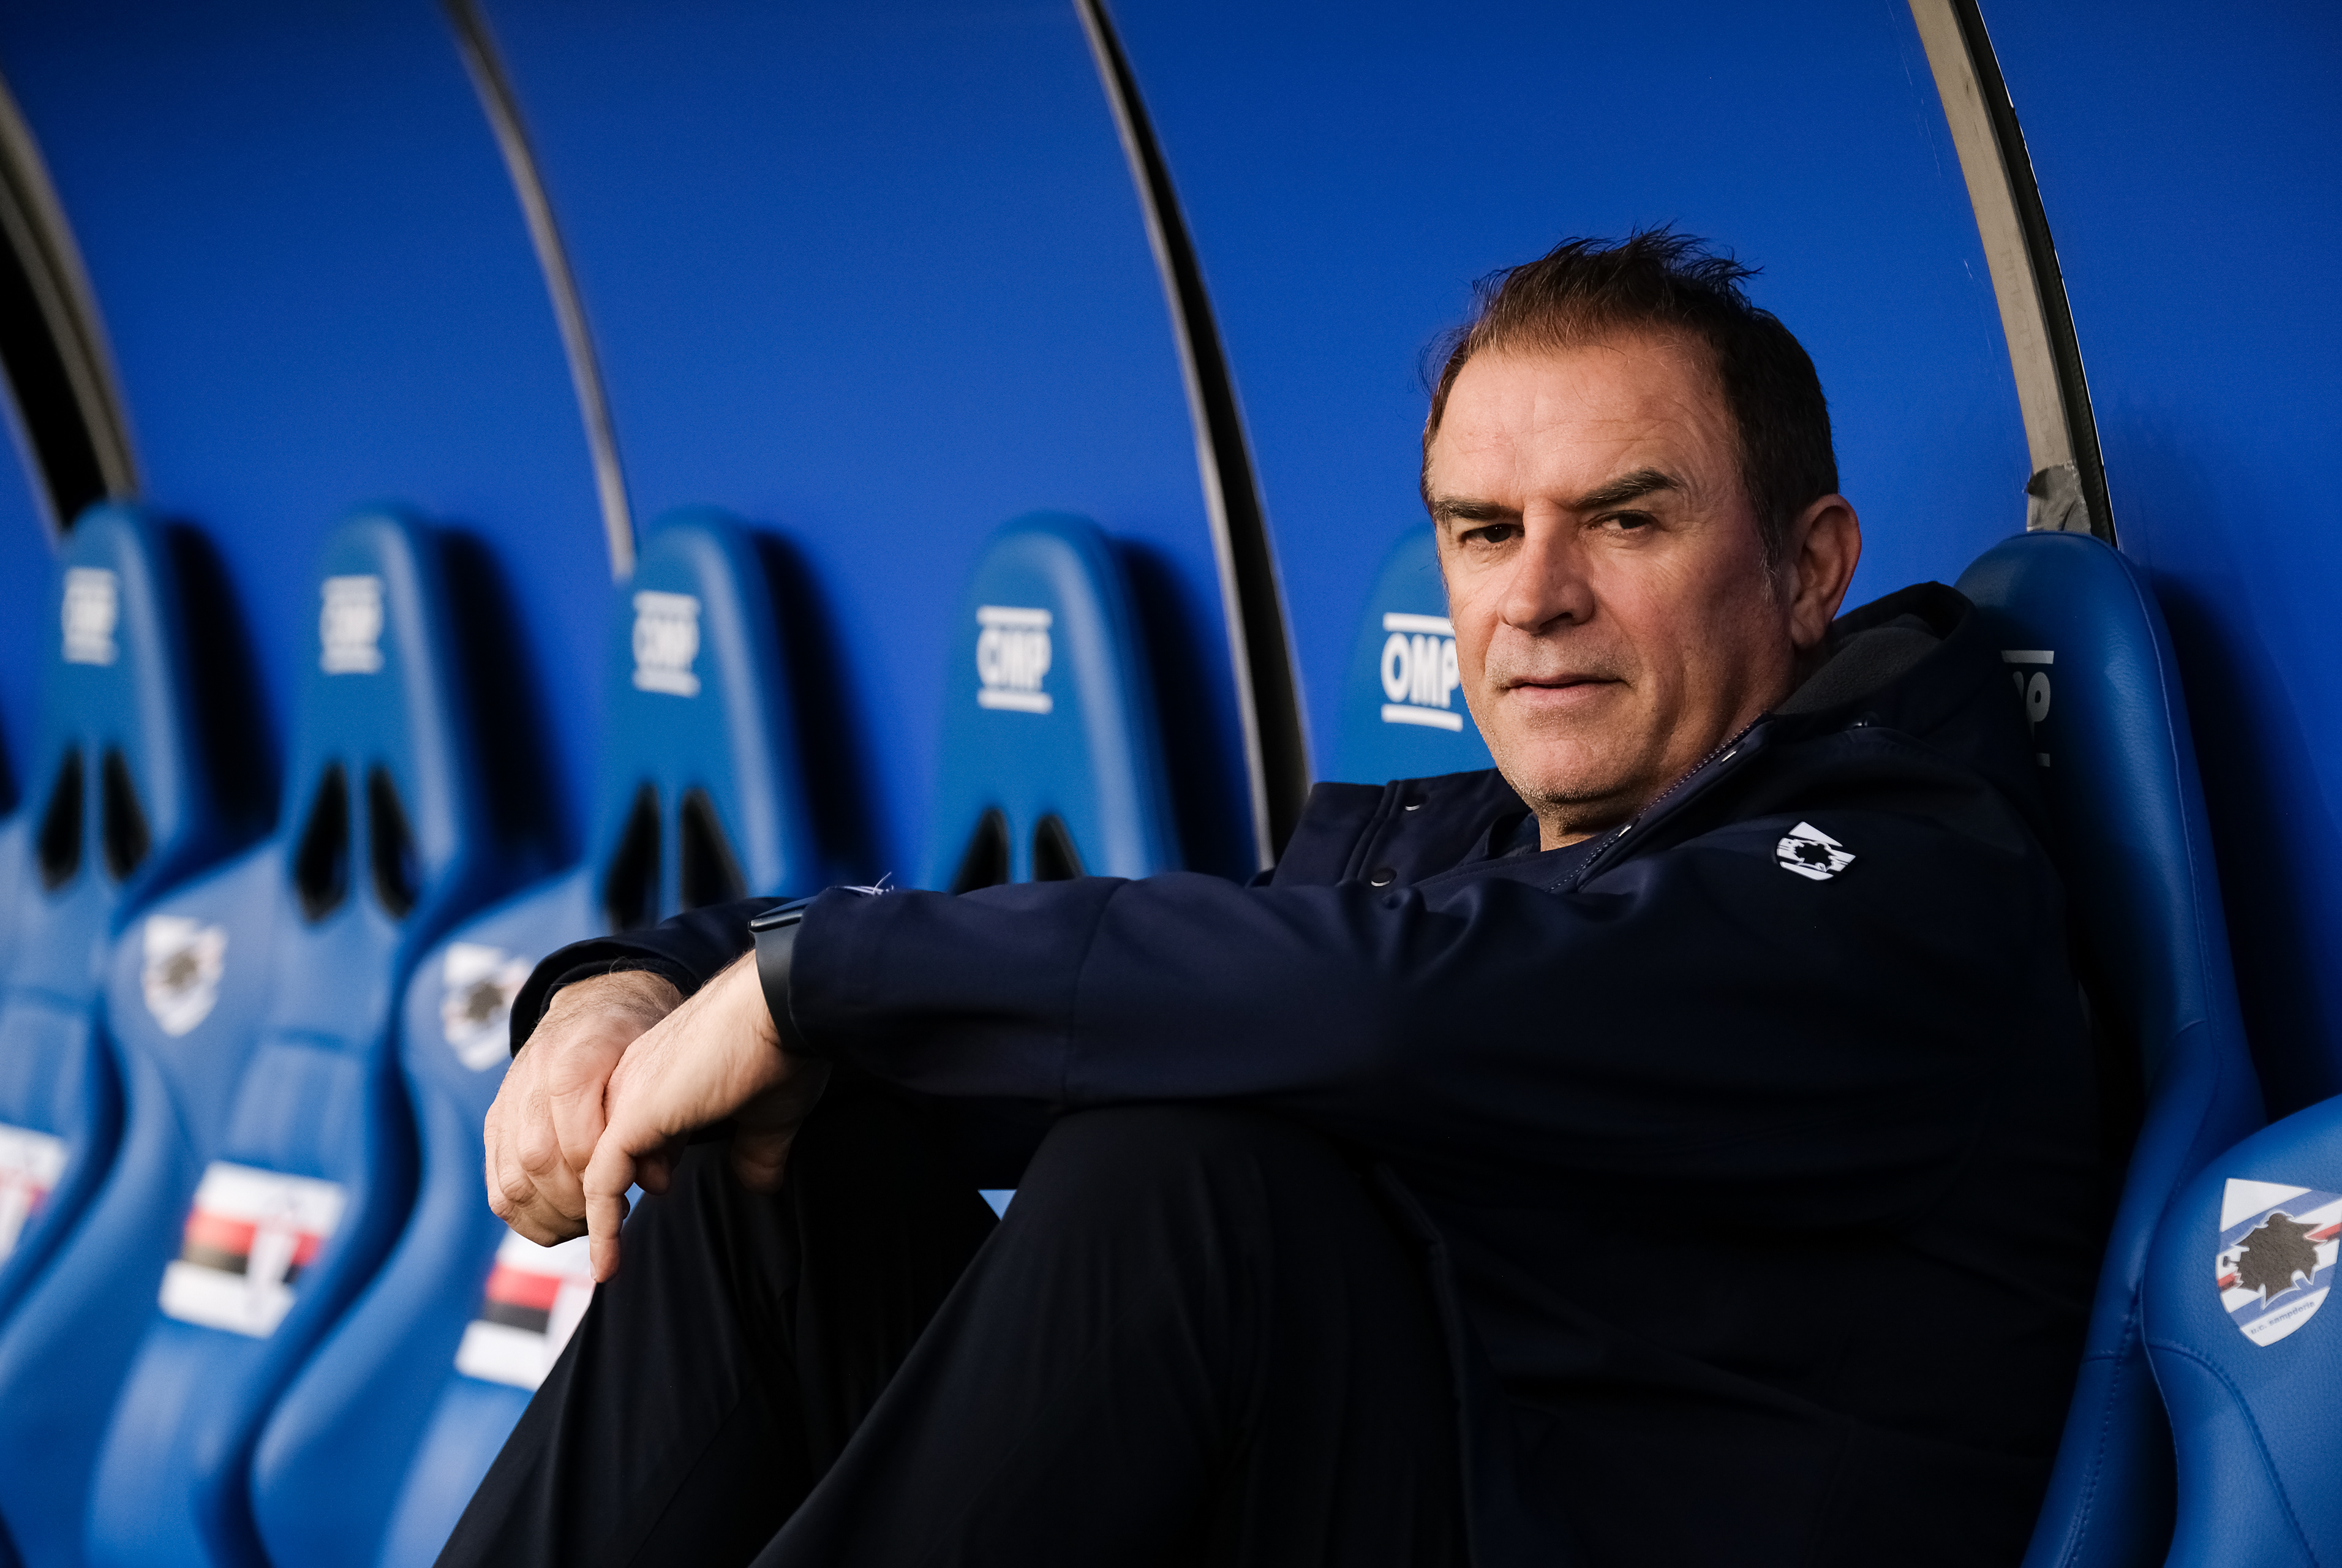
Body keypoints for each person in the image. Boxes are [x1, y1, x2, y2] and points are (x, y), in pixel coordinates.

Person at [445, 232, 2106, 1567]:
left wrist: (822, 975)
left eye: (1624, 519)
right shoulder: (1447, 849)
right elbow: (1144, 980)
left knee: (1189, 1173)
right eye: (1480, 531)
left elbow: (1397, 1001)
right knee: (788, 1150)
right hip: (1362, 1489)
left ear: (1812, 566)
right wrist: (634, 991)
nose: (1536, 598)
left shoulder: (1901, 877)